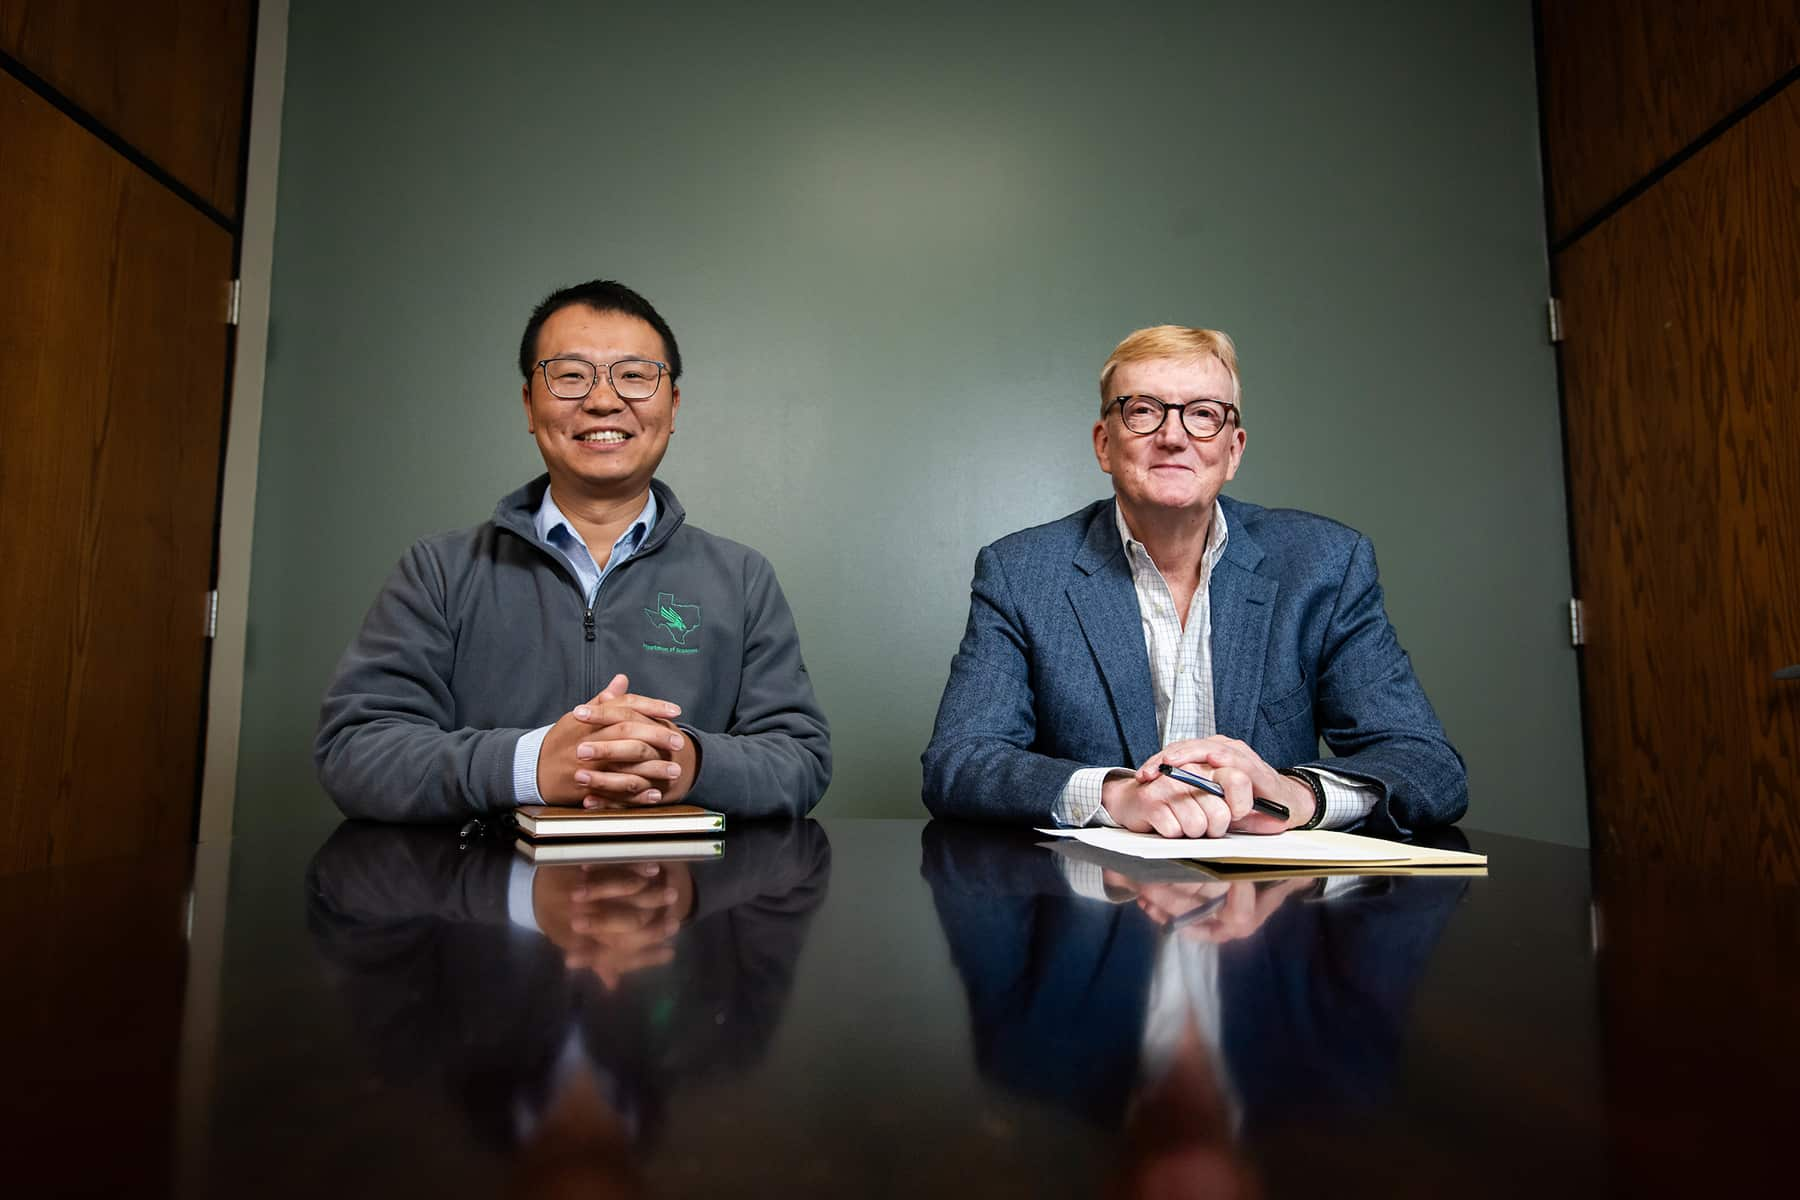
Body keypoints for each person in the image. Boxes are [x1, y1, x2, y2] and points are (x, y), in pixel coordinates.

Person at [921, 325, 1465, 838]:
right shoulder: (1021, 572)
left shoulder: (1323, 565)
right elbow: (960, 761)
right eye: (1143, 411)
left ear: (1233, 450)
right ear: (1104, 444)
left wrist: (1296, 796)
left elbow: (1429, 765)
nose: (1173, 436)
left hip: (1271, 917)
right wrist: (1114, 797)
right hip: (1092, 911)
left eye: (1203, 414)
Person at [316, 280, 829, 821]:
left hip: (684, 896)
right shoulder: (439, 572)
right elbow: (354, 752)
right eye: (570, 376)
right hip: (477, 898)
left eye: (634, 375)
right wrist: (531, 765)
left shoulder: (742, 578)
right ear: (530, 406)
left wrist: (687, 761)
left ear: (672, 405)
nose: (604, 400)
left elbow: (801, 759)